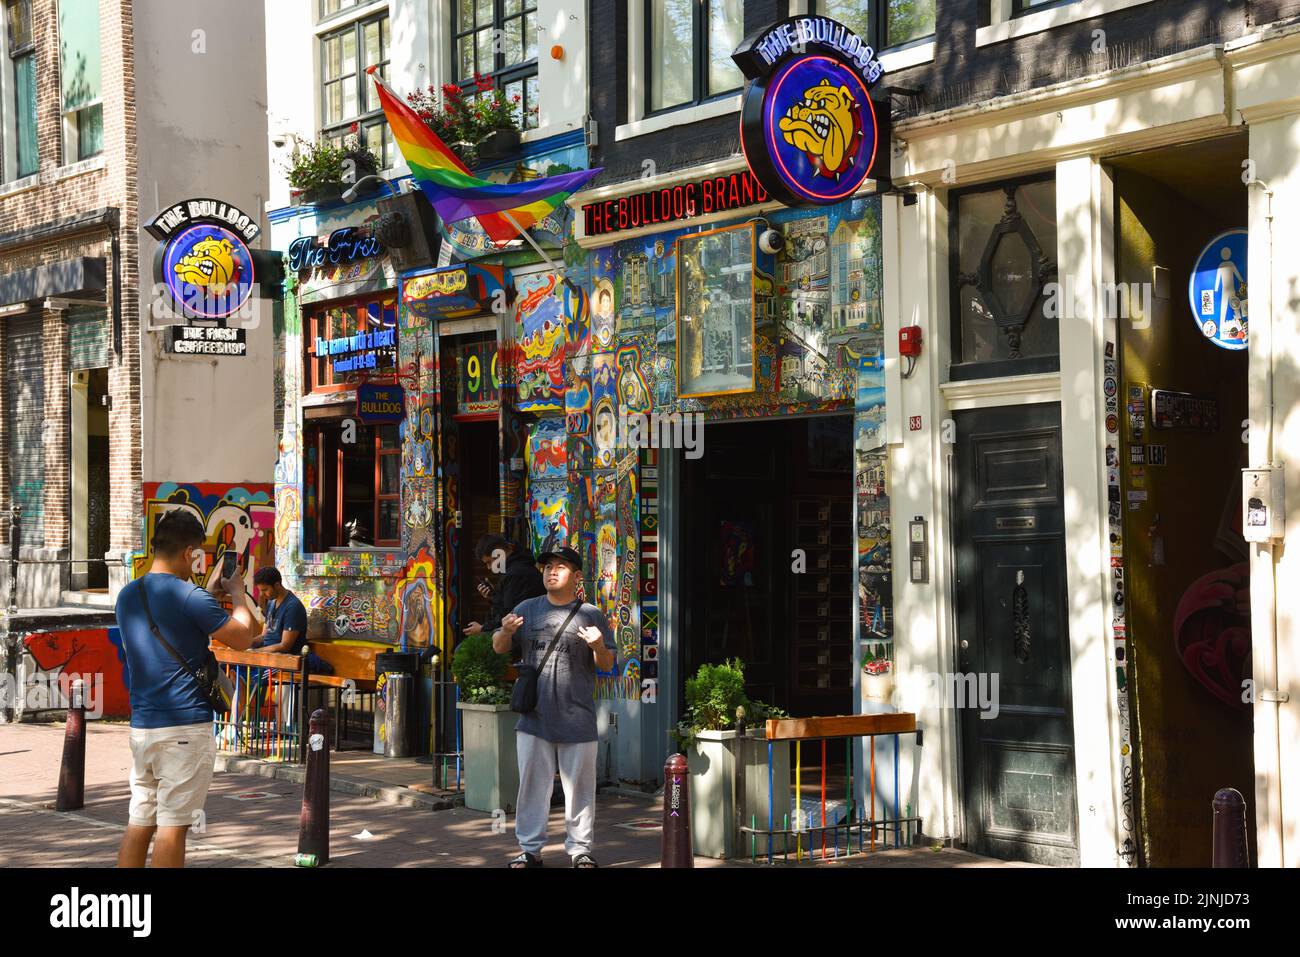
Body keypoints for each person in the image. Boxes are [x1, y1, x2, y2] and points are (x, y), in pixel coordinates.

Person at [113, 509, 258, 867]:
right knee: (173, 826)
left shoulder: (128, 595)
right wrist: (238, 593)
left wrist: (202, 593)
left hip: (143, 727)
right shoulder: (190, 596)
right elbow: (245, 635)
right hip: (184, 728)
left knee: (140, 820)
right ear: (189, 552)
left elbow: (174, 623)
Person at [493, 546, 616, 868]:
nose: (551, 571)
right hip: (534, 717)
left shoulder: (591, 614)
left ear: (576, 577)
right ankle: (529, 850)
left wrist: (599, 645)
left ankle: (580, 849)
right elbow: (498, 647)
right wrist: (505, 631)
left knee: (581, 789)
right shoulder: (526, 608)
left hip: (578, 716)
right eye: (547, 566)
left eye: (560, 567)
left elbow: (606, 663)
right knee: (532, 787)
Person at [463, 534, 545, 638]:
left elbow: (509, 615)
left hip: (525, 635)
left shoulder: (514, 574)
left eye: (489, 562)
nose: (489, 567)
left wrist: (482, 628)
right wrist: (492, 596)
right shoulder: (517, 566)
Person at [251, 567, 308, 654]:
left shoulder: (293, 607)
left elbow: (285, 646)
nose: (262, 595)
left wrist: (255, 652)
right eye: (260, 591)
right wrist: (246, 645)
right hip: (267, 656)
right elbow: (264, 636)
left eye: (265, 590)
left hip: (284, 661)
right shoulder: (271, 602)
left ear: (277, 585)